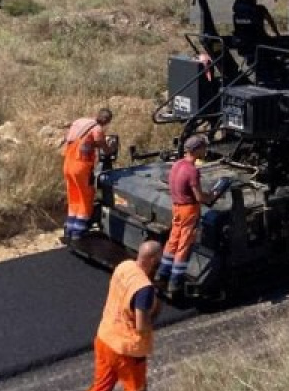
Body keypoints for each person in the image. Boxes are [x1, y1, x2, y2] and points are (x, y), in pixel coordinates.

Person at [87, 240, 162, 391]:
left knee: (101, 387)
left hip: (104, 338)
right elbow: (141, 326)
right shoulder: (143, 288)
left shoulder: (124, 266)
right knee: (136, 388)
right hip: (126, 350)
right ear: (153, 260)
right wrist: (153, 316)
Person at [155, 134, 218, 296]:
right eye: (203, 147)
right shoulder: (192, 171)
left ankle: (162, 273)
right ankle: (175, 282)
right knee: (184, 245)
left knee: (173, 240)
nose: (205, 150)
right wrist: (211, 196)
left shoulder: (177, 165)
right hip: (188, 210)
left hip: (176, 207)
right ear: (196, 150)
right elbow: (199, 197)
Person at [62, 108, 115, 241]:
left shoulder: (80, 122)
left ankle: (69, 228)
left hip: (68, 164)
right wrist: (110, 149)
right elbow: (102, 146)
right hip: (81, 166)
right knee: (86, 196)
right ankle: (79, 231)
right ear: (107, 121)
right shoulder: (97, 129)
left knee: (74, 195)